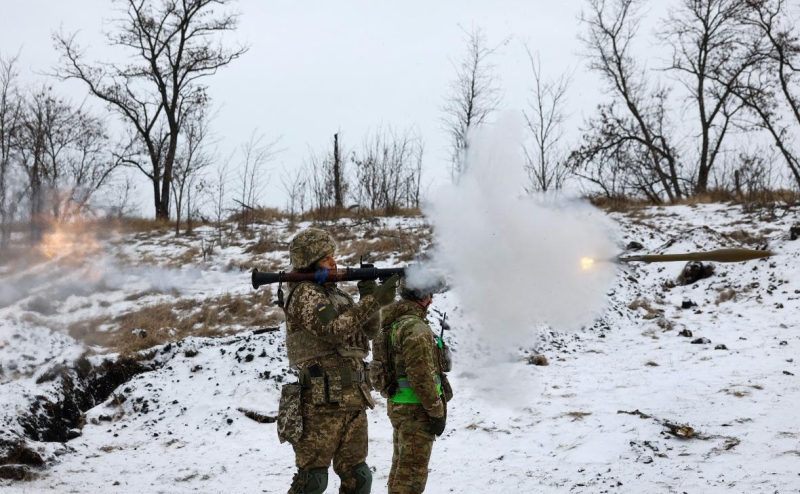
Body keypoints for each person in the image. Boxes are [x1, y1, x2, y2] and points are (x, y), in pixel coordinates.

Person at [278, 228, 398, 494]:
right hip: (321, 402)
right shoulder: (305, 295)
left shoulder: (338, 295)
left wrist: (371, 299)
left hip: (354, 398)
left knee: (359, 477)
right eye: (326, 258)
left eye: (333, 256)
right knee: (313, 480)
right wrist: (372, 301)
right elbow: (332, 329)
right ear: (310, 263)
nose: (334, 263)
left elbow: (369, 331)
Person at [380, 276, 452, 494]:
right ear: (422, 297)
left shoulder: (395, 324)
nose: (431, 301)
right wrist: (436, 412)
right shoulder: (417, 329)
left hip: (401, 405)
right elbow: (421, 376)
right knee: (411, 476)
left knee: (402, 468)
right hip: (417, 410)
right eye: (429, 295)